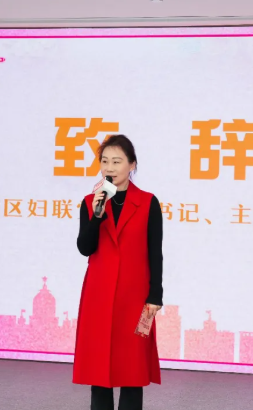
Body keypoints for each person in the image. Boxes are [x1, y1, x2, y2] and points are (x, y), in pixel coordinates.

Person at [73, 134, 163, 410]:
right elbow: (85, 248)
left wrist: (155, 295)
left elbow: (155, 252)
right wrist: (97, 214)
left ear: (132, 164)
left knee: (132, 369)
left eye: (117, 161)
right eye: (104, 161)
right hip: (99, 295)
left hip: (135, 297)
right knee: (99, 368)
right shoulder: (91, 202)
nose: (109, 168)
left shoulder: (148, 203)